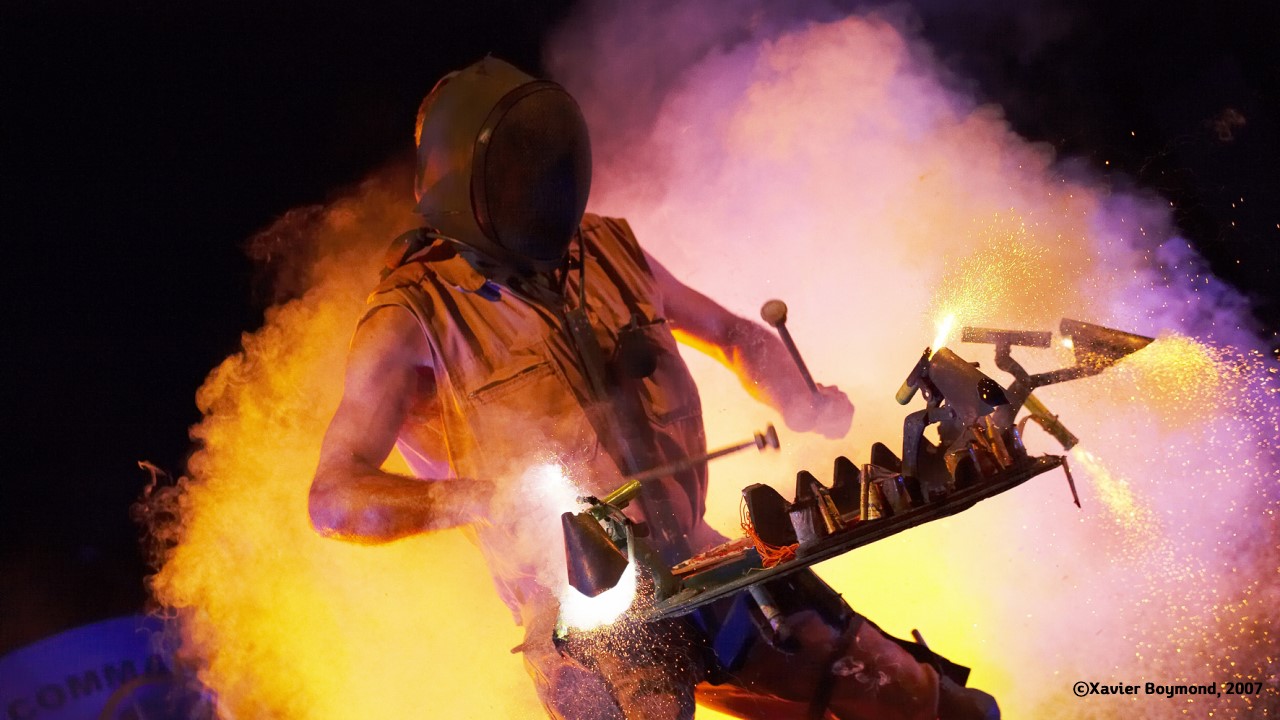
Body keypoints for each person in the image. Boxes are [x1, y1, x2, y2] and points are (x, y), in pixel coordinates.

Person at [308, 57, 999, 720]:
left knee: (917, 700)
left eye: (541, 162)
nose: (539, 186)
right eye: (514, 170)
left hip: (708, 564)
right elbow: (334, 497)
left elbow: (734, 334)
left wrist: (799, 397)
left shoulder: (608, 249)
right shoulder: (410, 317)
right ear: (464, 184)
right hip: (590, 618)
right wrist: (484, 499)